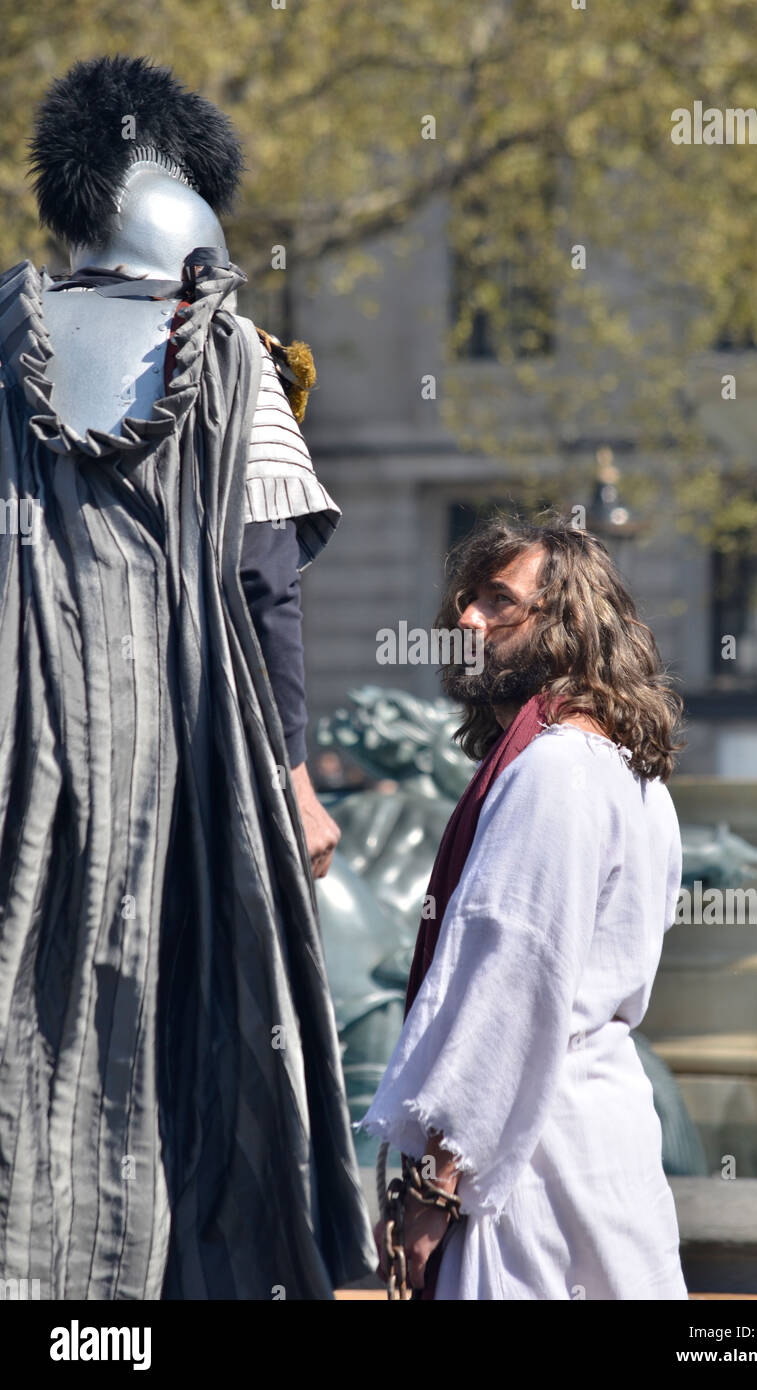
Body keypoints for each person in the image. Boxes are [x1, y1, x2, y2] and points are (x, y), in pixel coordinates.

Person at [0, 55, 374, 1299]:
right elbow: (264, 588)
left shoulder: (7, 344)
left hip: (24, 736)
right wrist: (296, 778)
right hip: (194, 739)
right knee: (209, 1017)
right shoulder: (234, 360)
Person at [360, 514, 689, 1300]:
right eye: (466, 601)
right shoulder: (629, 772)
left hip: (534, 1160)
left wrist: (435, 1190)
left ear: (568, 625)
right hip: (592, 1135)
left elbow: (505, 992)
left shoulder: (555, 772)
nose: (467, 620)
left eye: (497, 603)